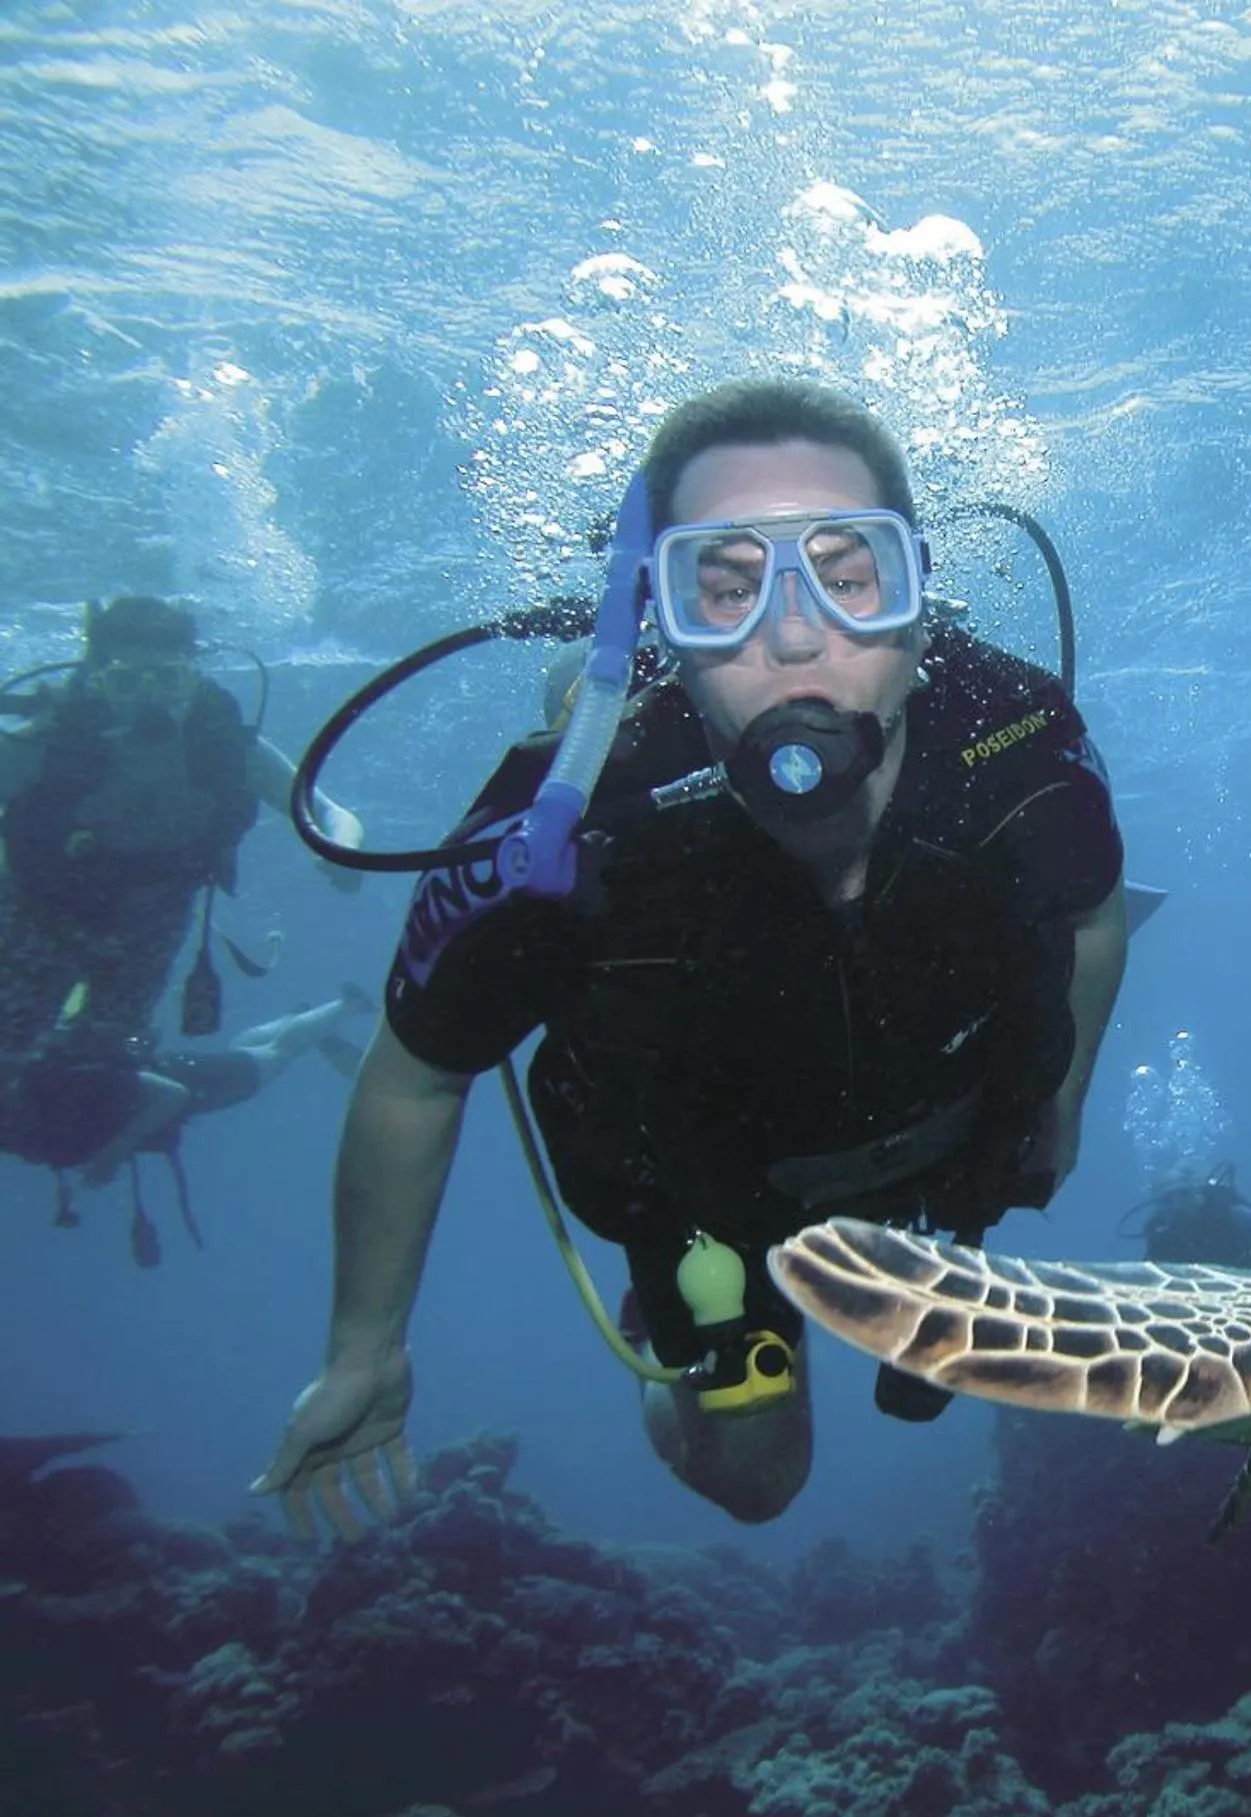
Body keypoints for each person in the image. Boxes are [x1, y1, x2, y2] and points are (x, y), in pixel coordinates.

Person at [254, 378, 1130, 1534]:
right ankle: (674, 1327)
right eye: (723, 589)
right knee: (758, 1485)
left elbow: (1093, 913)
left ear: (919, 601)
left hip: (945, 1139)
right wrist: (363, 1351)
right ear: (653, 622)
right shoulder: (559, 827)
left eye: (851, 572)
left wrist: (1059, 1108)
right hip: (705, 1193)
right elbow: (418, 1070)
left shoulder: (1016, 737)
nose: (795, 632)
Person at [0, 595, 367, 1068]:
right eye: (126, 683)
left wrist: (342, 848)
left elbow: (329, 812)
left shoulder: (225, 749)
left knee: (100, 1071)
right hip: (35, 920)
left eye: (168, 679)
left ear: (193, 678)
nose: (151, 702)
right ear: (98, 682)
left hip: (149, 927)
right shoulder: (47, 745)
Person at [0, 988, 369, 1266]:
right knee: (245, 1049)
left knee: (275, 1056)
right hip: (181, 1072)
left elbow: (171, 1095)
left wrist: (116, 1149)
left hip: (188, 1083)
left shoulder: (69, 1082)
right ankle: (303, 1022)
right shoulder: (39, 1101)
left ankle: (345, 1006)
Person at [1129, 1160, 1251, 1267]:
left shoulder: (1237, 1218)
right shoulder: (1163, 1236)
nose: (1176, 1205)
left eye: (1183, 1195)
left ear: (1198, 1193)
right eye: (1167, 1201)